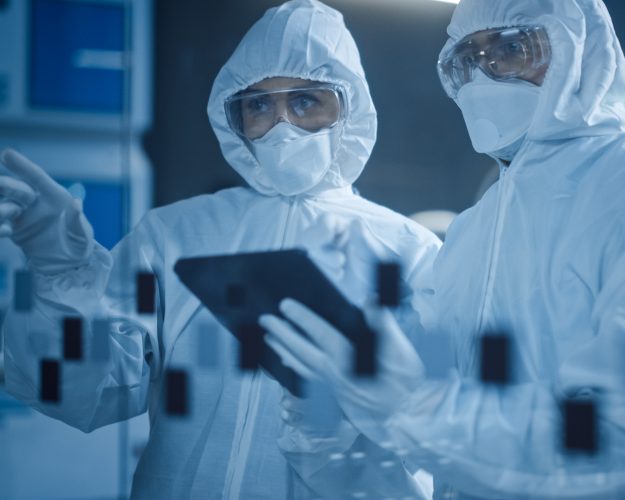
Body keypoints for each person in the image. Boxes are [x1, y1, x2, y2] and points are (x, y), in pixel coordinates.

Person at [260, 0, 625, 498]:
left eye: (512, 49)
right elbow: (440, 449)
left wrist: (415, 405)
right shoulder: (476, 229)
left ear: (579, 47)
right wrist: (331, 393)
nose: (484, 75)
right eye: (468, 59)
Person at [0, 0, 440, 498]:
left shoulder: (408, 253)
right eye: (257, 105)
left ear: (349, 110)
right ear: (234, 117)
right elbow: (88, 390)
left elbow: (432, 438)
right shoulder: (175, 235)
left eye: (305, 102)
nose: (280, 126)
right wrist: (61, 272)